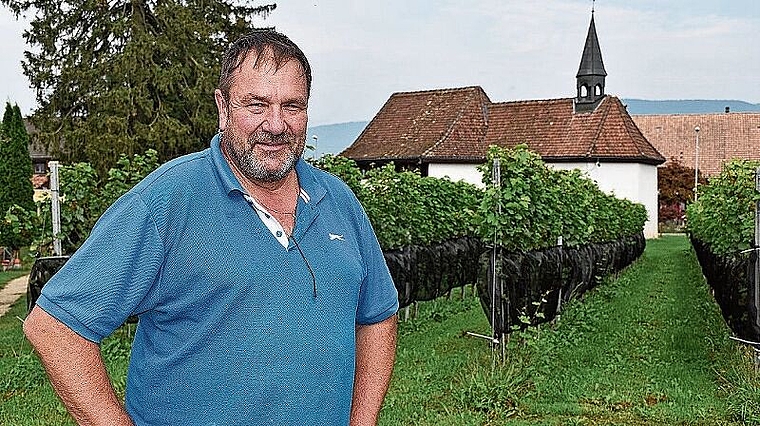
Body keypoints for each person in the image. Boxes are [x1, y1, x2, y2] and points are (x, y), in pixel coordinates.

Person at [23, 29, 399, 426]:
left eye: (292, 106)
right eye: (256, 105)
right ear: (222, 107)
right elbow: (54, 327)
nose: (276, 124)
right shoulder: (166, 202)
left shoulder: (338, 201)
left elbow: (378, 315)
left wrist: (362, 421)